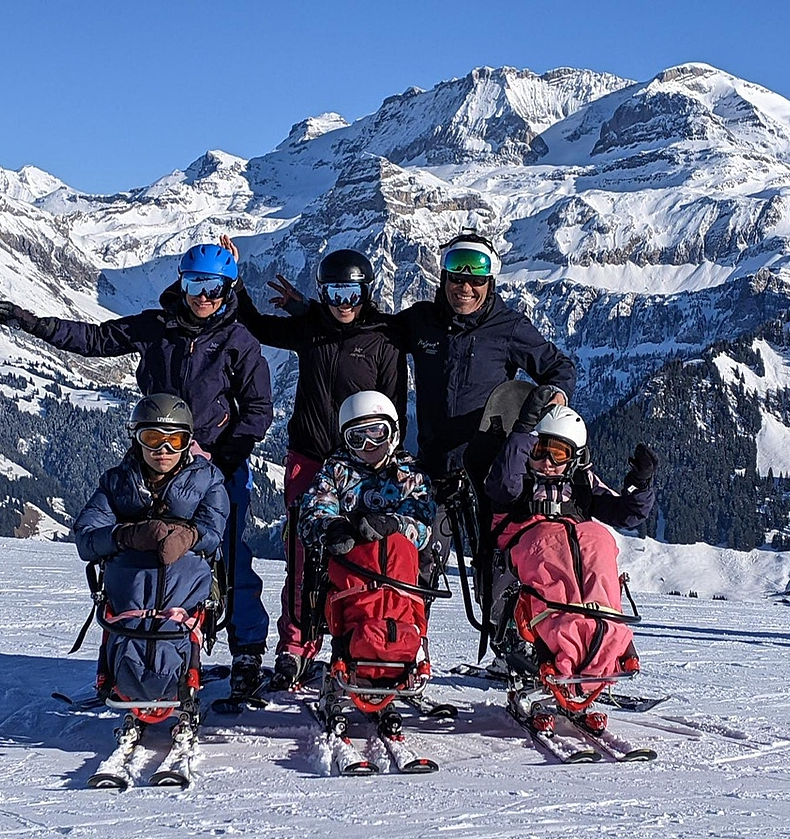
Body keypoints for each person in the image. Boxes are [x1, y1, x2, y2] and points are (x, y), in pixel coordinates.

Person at [0, 243, 274, 698]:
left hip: (215, 464)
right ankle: (137, 643)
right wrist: (34, 324)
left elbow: (258, 410)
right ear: (181, 282)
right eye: (194, 284)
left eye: (213, 286)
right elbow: (96, 340)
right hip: (154, 453)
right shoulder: (156, 327)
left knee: (229, 555)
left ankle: (246, 652)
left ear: (228, 288)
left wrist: (219, 460)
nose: (203, 296)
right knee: (138, 550)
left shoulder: (238, 341)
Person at [235, 248, 408, 690]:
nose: (343, 302)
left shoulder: (384, 340)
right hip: (309, 456)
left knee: (363, 551)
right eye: (333, 291)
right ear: (322, 292)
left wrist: (389, 464)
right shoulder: (311, 328)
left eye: (352, 292)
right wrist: (235, 282)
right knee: (302, 551)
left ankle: (359, 639)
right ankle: (296, 645)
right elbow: (257, 326)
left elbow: (395, 410)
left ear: (366, 291)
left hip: (363, 461)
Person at [388, 232, 578, 585]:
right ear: (444, 277)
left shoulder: (508, 328)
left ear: (490, 282)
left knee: (498, 580)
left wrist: (554, 399)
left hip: (488, 476)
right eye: (457, 277)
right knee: (415, 577)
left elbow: (560, 368)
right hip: (433, 471)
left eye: (476, 279)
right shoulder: (421, 320)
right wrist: (311, 313)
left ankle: (512, 639)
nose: (465, 287)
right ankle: (411, 640)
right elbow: (371, 333)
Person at [72, 393, 230, 714]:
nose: (163, 450)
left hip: (181, 589)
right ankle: (129, 674)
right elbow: (86, 538)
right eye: (153, 439)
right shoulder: (117, 483)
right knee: (131, 628)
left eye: (175, 440)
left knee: (174, 624)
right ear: (137, 438)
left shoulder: (208, 481)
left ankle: (171, 672)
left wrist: (189, 536)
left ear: (188, 442)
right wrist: (126, 535)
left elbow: (213, 532)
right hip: (130, 590)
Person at [483, 403, 657, 684]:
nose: (547, 461)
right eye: (540, 449)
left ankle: (604, 639)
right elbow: (502, 487)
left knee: (599, 539)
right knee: (558, 549)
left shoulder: (581, 482)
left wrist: (640, 484)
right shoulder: (517, 477)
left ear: (574, 457)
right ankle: (557, 647)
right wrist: (523, 433)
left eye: (558, 453)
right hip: (528, 547)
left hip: (573, 545)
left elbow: (625, 514)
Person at [297, 390, 436, 682]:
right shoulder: (336, 471)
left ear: (394, 433)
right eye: (356, 438)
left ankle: (403, 641)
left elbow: (423, 527)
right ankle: (355, 639)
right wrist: (332, 528)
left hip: (399, 575)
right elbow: (313, 513)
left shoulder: (409, 474)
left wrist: (396, 525)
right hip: (353, 575)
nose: (368, 444)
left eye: (376, 432)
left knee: (399, 548)